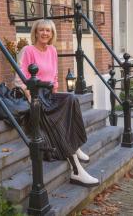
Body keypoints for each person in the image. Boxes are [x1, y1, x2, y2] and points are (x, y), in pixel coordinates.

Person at [16, 19, 99, 187]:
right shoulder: (28, 50)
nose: (45, 33)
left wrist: (55, 93)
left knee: (71, 99)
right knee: (56, 118)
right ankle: (76, 170)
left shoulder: (52, 50)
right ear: (36, 32)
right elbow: (19, 79)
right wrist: (30, 95)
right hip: (34, 94)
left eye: (48, 30)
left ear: (52, 34)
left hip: (48, 93)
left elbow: (53, 77)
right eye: (42, 30)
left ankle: (75, 146)